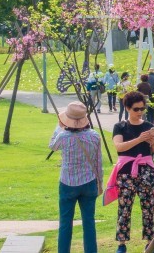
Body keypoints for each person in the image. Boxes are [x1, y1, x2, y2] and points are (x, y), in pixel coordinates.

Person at [105, 91, 154, 253]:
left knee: (148, 207)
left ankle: (150, 243)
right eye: (136, 109)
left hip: (147, 170)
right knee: (124, 207)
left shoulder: (148, 126)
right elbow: (119, 147)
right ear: (127, 108)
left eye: (142, 109)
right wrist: (139, 139)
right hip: (125, 171)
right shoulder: (120, 126)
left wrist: (153, 141)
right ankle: (121, 244)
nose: (140, 112)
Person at [50, 101, 103, 253]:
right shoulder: (94, 136)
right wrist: (100, 182)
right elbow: (98, 162)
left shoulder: (63, 136)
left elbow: (52, 146)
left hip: (68, 183)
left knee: (65, 223)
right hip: (89, 182)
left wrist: (58, 126)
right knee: (89, 222)